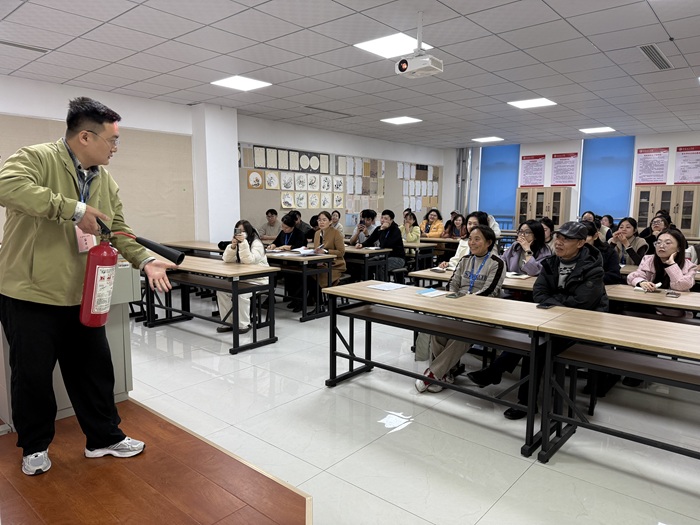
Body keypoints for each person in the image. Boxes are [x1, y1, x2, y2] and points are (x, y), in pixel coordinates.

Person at [0, 97, 176, 476]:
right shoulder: (37, 158)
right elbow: (6, 187)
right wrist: (75, 209)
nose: (115, 148)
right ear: (85, 137)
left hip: (83, 295)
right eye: (112, 140)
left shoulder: (104, 180)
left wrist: (145, 260)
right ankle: (35, 447)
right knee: (32, 376)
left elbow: (118, 228)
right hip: (30, 293)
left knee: (95, 370)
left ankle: (103, 438)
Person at [467, 221, 608, 419]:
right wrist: (558, 301)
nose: (559, 242)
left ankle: (512, 388)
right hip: (552, 321)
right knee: (531, 341)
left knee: (536, 348)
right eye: (558, 237)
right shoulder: (552, 262)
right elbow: (539, 292)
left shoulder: (593, 268)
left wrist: (554, 300)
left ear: (580, 243)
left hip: (582, 326)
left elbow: (580, 304)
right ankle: (516, 392)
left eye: (566, 239)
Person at [415, 225, 505, 393]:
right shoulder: (465, 260)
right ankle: (445, 373)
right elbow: (453, 283)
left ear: (489, 242)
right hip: (457, 307)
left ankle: (433, 374)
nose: (472, 243)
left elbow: (489, 291)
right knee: (438, 327)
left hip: (481, 312)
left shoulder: (497, 263)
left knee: (462, 334)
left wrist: (464, 302)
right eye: (470, 239)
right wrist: (453, 301)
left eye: (477, 239)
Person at [216, 220, 269, 334]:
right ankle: (228, 322)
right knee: (222, 291)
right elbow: (226, 259)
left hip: (258, 279)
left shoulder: (256, 244)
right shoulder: (239, 242)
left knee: (241, 294)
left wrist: (243, 243)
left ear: (248, 232)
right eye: (238, 231)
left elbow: (249, 261)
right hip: (243, 278)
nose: (241, 233)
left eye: (243, 231)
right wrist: (233, 246)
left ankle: (243, 324)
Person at [628, 228, 697, 307]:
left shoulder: (690, 266)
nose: (661, 246)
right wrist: (642, 282)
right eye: (658, 242)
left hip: (674, 307)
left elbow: (681, 286)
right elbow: (632, 277)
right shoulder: (648, 259)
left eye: (667, 243)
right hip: (649, 303)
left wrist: (671, 265)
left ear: (679, 248)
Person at [303, 211, 346, 312]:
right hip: (320, 264)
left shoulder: (336, 233)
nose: (321, 222)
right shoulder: (317, 233)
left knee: (315, 277)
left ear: (330, 221)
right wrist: (310, 251)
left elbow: (341, 252)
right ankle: (318, 302)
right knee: (306, 275)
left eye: (324, 220)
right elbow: (317, 249)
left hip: (335, 266)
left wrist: (326, 251)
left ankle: (320, 305)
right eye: (319, 220)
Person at [357, 209, 405, 273]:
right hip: (383, 256)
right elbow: (370, 240)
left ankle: (382, 280)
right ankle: (369, 279)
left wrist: (382, 230)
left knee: (381, 266)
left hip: (397, 258)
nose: (382, 220)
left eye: (385, 219)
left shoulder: (396, 230)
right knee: (366, 263)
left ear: (391, 220)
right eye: (382, 218)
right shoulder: (378, 228)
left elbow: (386, 244)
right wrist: (362, 244)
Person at [582, 220, 621, 284]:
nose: (581, 241)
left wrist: (588, 278)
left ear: (595, 236)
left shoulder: (608, 252)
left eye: (586, 236)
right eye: (577, 237)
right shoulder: (571, 252)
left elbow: (614, 276)